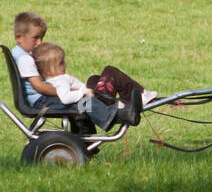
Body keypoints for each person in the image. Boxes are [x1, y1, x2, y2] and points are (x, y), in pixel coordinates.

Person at [9, 12, 141, 130]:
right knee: (82, 102)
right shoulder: (25, 59)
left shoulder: (18, 53)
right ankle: (111, 116)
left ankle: (85, 139)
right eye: (35, 38)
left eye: (41, 38)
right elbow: (39, 86)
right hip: (41, 101)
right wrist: (66, 92)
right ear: (19, 37)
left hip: (40, 99)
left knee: (82, 97)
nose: (40, 42)